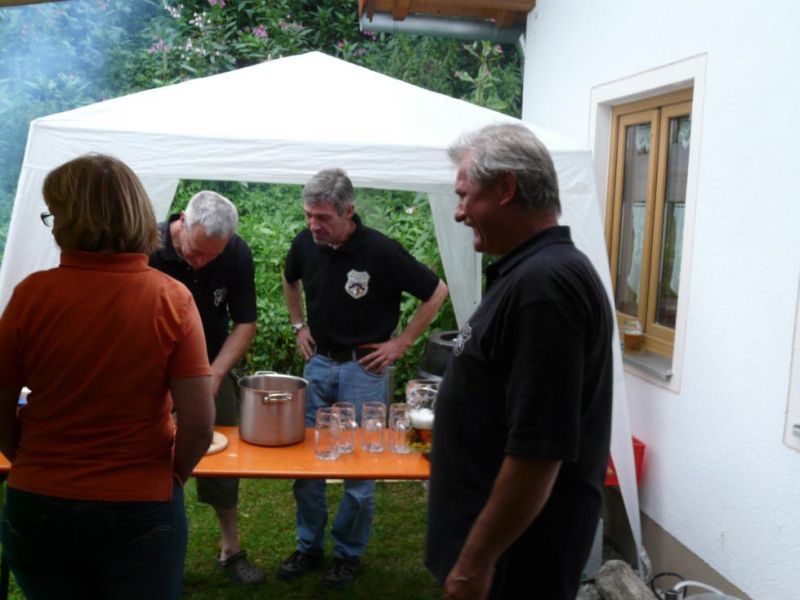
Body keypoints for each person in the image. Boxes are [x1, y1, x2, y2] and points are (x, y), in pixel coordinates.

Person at [0, 154, 215, 599]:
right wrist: (172, 478)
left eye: (54, 215)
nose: (52, 227)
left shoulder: (30, 296)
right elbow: (198, 424)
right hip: (141, 502)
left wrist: (30, 460)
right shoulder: (171, 299)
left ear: (71, 222)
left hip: (39, 499)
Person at [425, 123, 614, 600]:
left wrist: (475, 564)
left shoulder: (546, 286)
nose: (459, 212)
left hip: (517, 563)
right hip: (503, 557)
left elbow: (538, 450)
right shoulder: (531, 272)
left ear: (506, 188)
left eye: (465, 196)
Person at [280, 168, 448, 589]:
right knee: (307, 462)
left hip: (364, 369)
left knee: (360, 465)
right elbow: (289, 277)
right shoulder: (305, 243)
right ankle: (308, 546)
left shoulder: (381, 251)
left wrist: (401, 343)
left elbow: (437, 292)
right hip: (318, 364)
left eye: (323, 217)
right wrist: (299, 325)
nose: (313, 226)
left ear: (348, 211)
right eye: (308, 215)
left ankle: (348, 555)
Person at [149, 190, 263, 584]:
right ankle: (152, 549)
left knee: (224, 458)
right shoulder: (146, 245)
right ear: (182, 220)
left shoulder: (236, 253)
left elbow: (245, 323)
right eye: (195, 251)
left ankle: (231, 548)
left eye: (211, 256)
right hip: (151, 368)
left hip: (210, 364)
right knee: (149, 455)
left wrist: (214, 375)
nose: (200, 261)